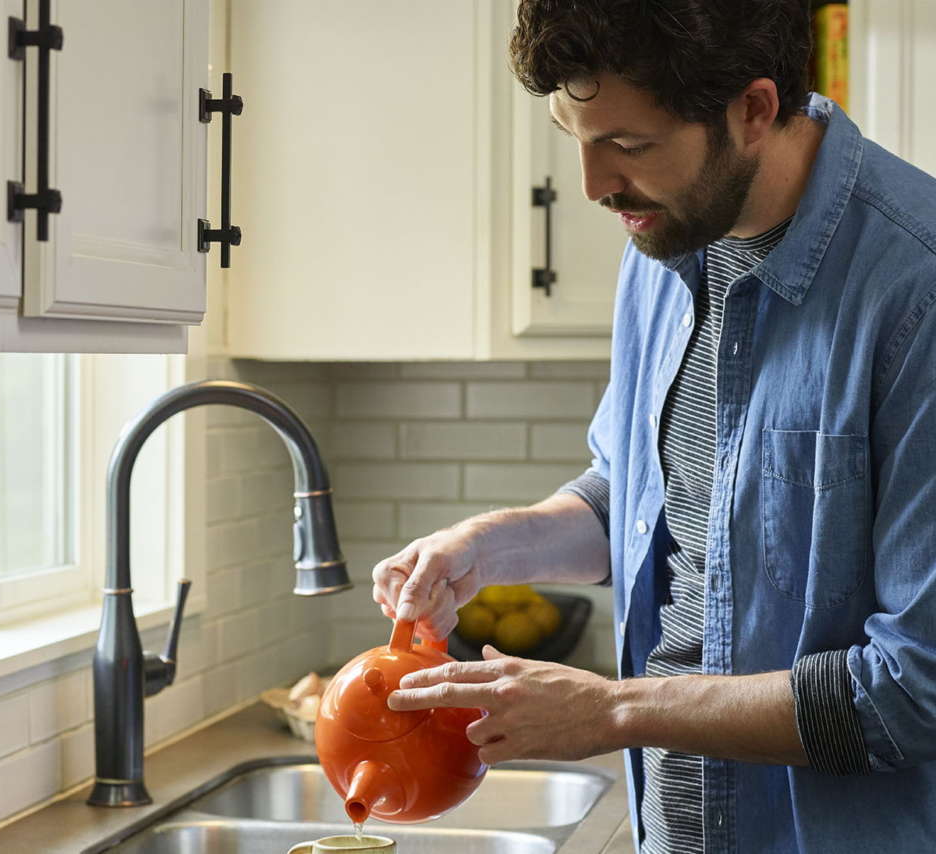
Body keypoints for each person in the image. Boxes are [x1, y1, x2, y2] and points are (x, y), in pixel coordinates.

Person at [369, 1, 936, 852]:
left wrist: (614, 711)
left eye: (628, 145)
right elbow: (638, 500)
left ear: (752, 110)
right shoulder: (666, 241)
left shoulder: (916, 288)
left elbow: (915, 690)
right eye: (575, 137)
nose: (594, 185)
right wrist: (491, 547)